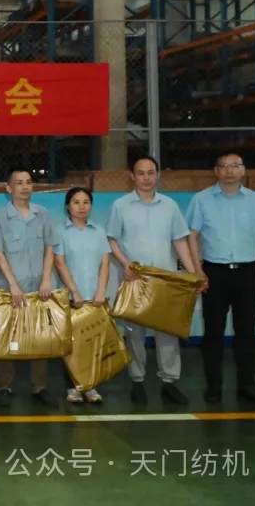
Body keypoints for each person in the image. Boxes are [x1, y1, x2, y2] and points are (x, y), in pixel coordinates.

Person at [107, 156, 203, 406]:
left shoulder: (169, 206)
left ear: (158, 175)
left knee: (167, 333)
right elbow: (112, 239)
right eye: (141, 173)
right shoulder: (120, 206)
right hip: (135, 280)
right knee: (134, 334)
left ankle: (169, 382)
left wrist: (194, 273)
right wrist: (126, 264)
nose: (146, 178)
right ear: (132, 176)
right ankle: (137, 381)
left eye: (151, 173)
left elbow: (179, 241)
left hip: (165, 281)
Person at [185, 153, 255, 406]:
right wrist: (197, 270)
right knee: (213, 333)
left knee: (246, 333)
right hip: (214, 273)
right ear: (216, 171)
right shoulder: (201, 199)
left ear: (243, 170)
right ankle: (213, 387)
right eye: (224, 166)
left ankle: (247, 386)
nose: (229, 170)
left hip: (248, 273)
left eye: (235, 166)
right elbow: (192, 236)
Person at [0, 168, 61, 408]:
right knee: (7, 337)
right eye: (19, 183)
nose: (25, 187)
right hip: (10, 289)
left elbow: (50, 248)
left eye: (28, 182)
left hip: (39, 288)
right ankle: (4, 386)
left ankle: (40, 387)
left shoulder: (43, 214)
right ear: (8, 188)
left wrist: (47, 280)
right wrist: (13, 285)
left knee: (40, 337)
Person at [52, 187, 110, 404]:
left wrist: (101, 291)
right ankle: (73, 387)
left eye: (86, 202)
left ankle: (91, 386)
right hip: (71, 298)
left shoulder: (99, 231)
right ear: (68, 206)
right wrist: (74, 292)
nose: (81, 207)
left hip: (95, 298)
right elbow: (60, 263)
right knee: (72, 345)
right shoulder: (60, 231)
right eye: (76, 202)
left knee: (93, 344)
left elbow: (105, 264)